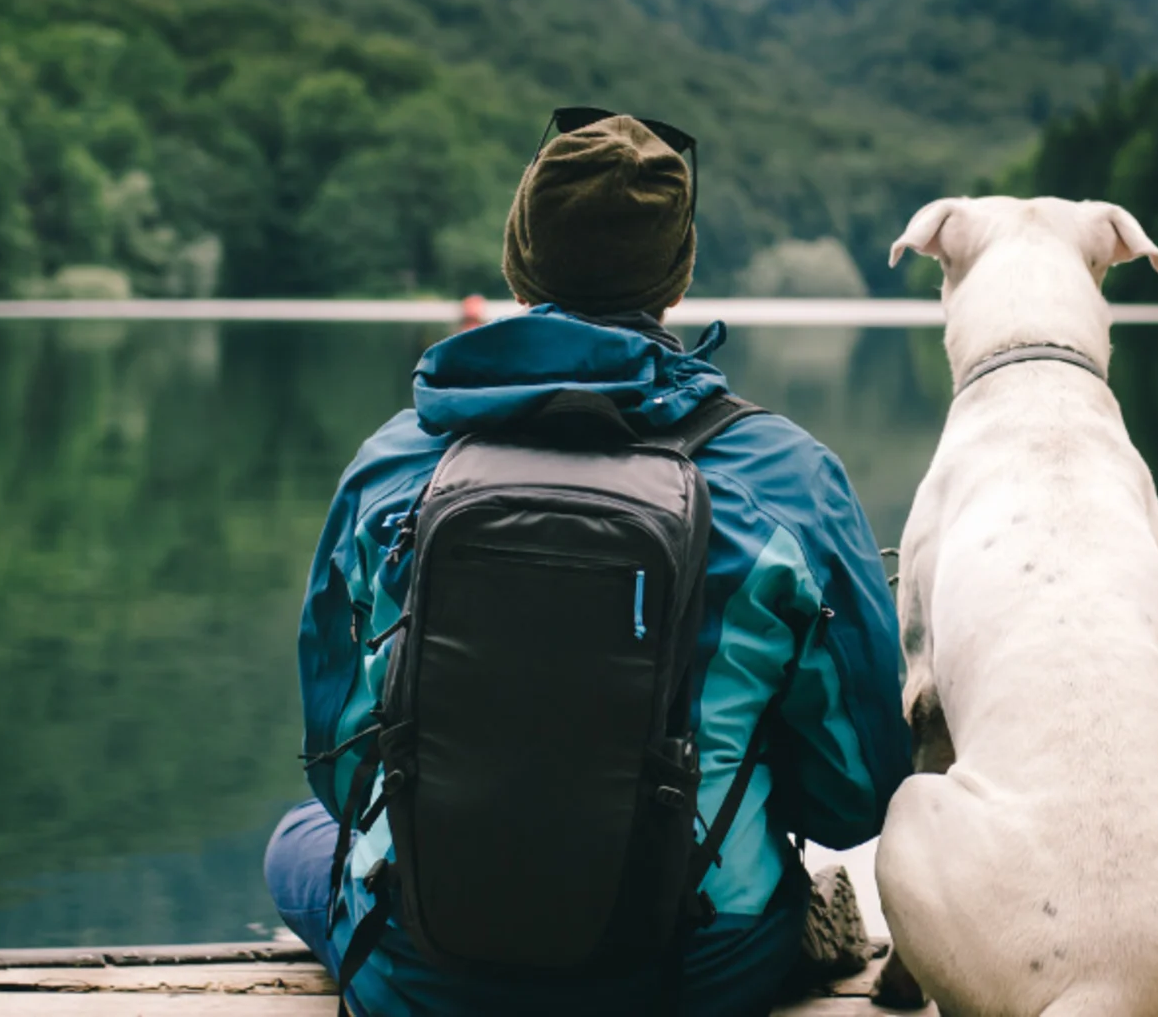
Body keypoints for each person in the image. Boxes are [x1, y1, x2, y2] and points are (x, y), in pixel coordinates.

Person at [264, 109, 912, 1016]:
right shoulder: (789, 479)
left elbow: (339, 765)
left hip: (422, 977)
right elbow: (856, 796)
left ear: (517, 262)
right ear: (678, 279)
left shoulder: (396, 461)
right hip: (690, 978)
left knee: (298, 838)